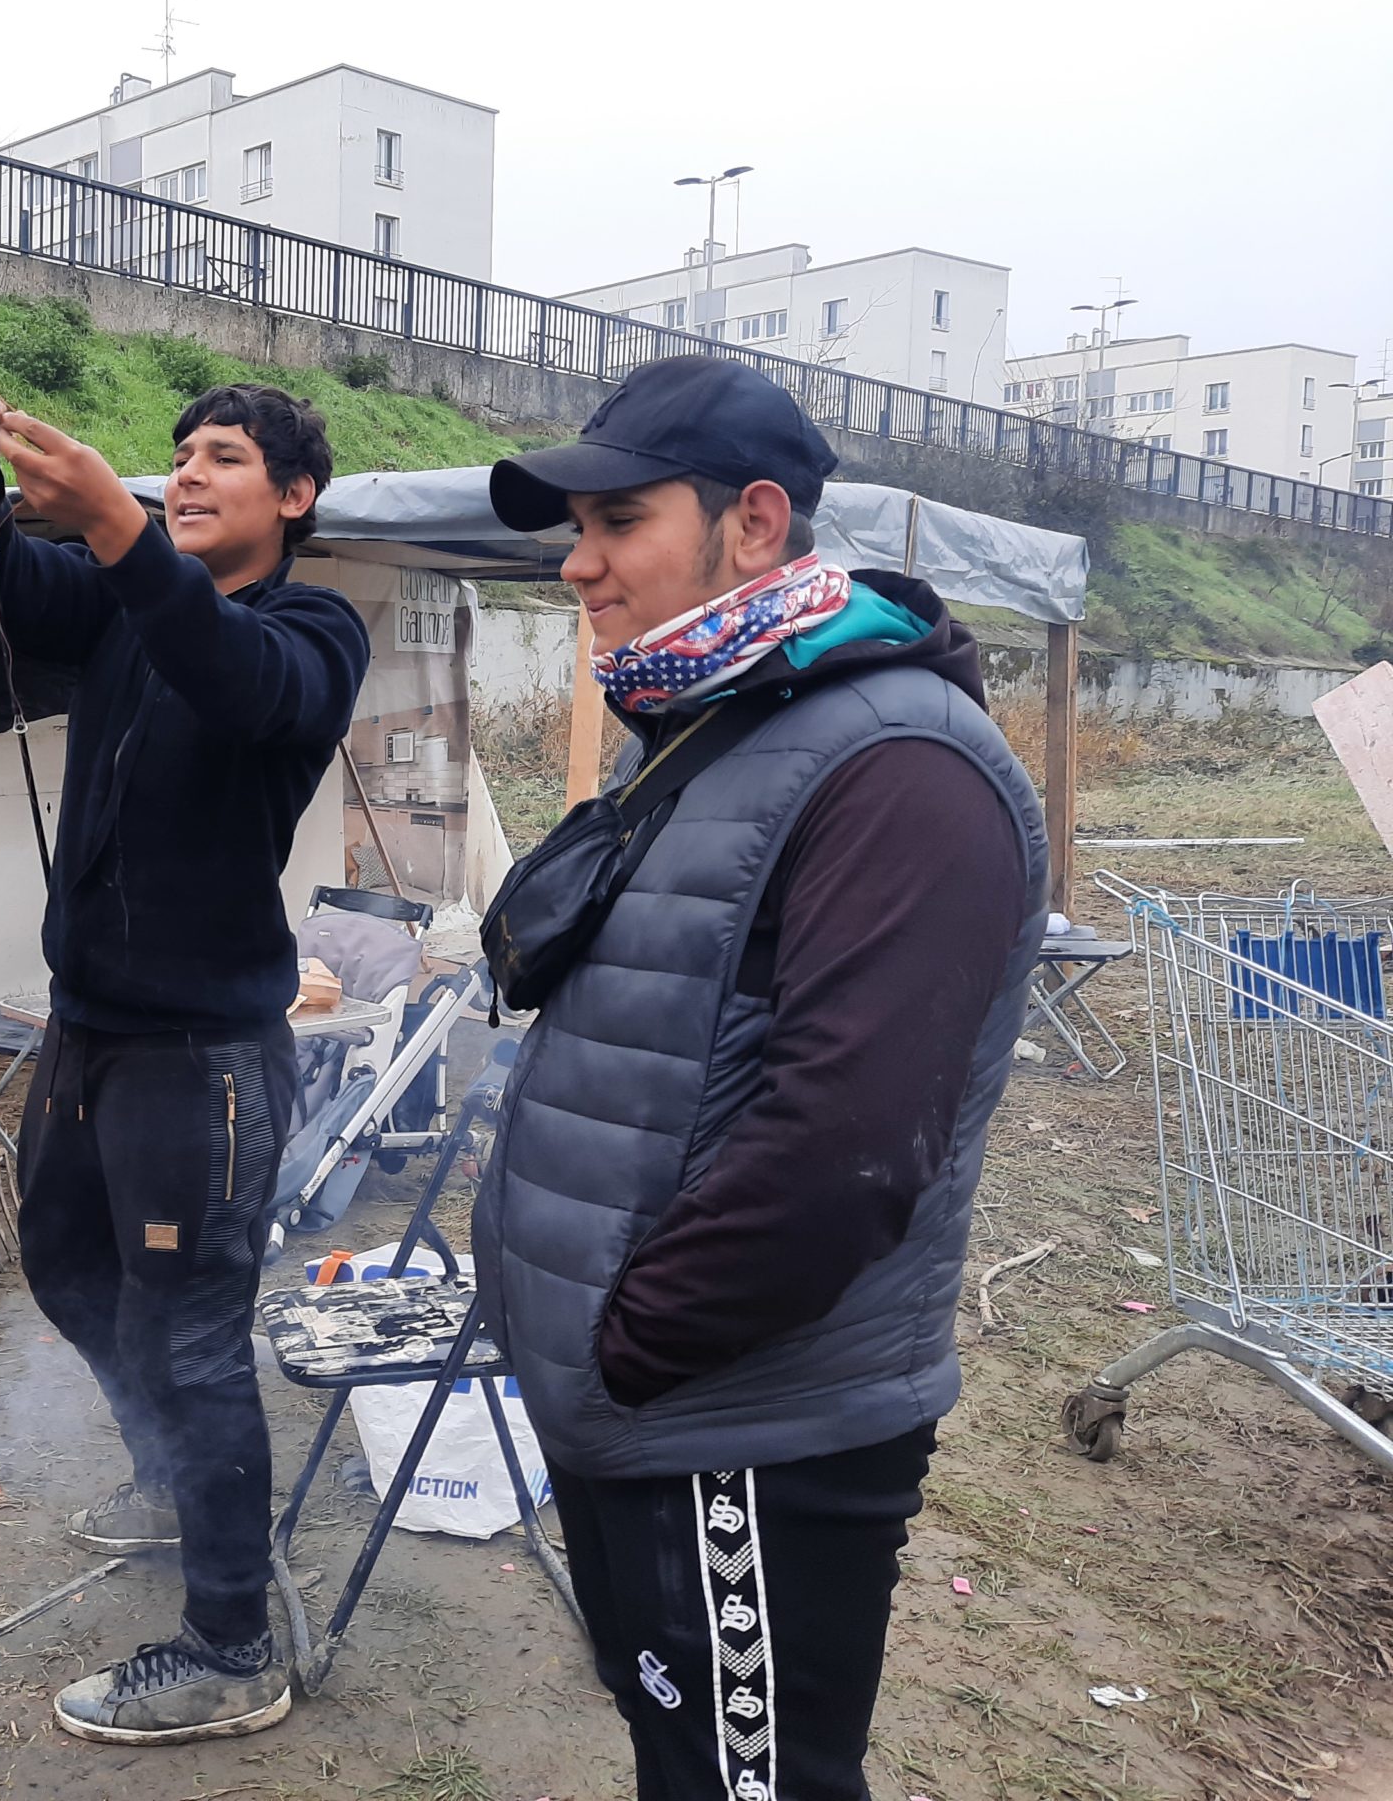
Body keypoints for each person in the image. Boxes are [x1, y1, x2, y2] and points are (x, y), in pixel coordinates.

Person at [474, 354, 1047, 1801]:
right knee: (689, 1759)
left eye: (616, 524)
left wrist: (626, 1341)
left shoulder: (902, 768)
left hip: (742, 1424)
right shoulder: (716, 724)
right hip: (649, 1410)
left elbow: (845, 1149)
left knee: (756, 1782)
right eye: (574, 529)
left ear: (754, 523)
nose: (578, 565)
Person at [0, 378, 369, 1744]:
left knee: (190, 1338)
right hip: (89, 1024)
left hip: (204, 1055)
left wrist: (122, 528)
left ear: (293, 497)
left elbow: (234, 681)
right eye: (172, 458)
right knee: (63, 1265)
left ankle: (234, 1645)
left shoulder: (311, 627)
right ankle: (172, 1474)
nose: (184, 473)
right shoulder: (128, 592)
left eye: (221, 459)